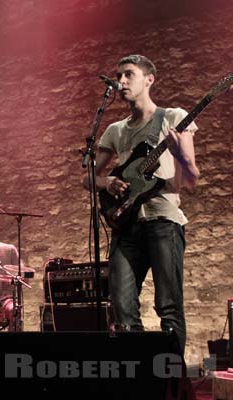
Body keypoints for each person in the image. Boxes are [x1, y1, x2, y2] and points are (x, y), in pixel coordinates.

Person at [83, 55, 200, 356]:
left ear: (149, 79)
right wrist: (107, 182)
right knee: (121, 306)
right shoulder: (115, 130)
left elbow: (192, 178)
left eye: (128, 75)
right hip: (126, 224)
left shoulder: (173, 117)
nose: (121, 82)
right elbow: (88, 180)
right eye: (119, 75)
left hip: (163, 221)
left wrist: (181, 155)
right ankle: (140, 376)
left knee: (168, 305)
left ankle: (170, 380)